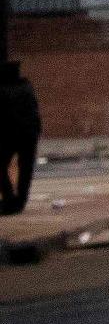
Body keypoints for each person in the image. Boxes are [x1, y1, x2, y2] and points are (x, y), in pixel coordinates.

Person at [0, 61, 40, 215]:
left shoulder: (4, 90)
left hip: (11, 134)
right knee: (26, 170)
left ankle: (10, 198)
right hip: (30, 134)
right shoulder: (27, 86)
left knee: (2, 166)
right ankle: (19, 201)